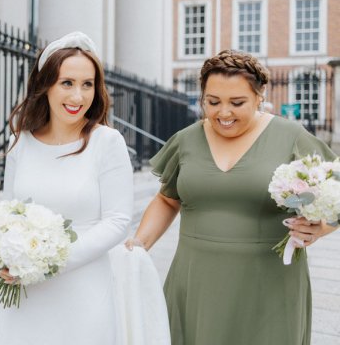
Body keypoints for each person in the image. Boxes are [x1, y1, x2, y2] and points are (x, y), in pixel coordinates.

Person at [125, 49, 338, 345]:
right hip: (196, 281)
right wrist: (139, 244)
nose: (223, 113)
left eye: (237, 103)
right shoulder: (186, 139)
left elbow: (335, 195)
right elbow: (167, 199)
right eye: (212, 102)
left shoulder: (291, 135)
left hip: (270, 284)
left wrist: (321, 227)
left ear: (260, 95)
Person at [0, 32, 133, 344]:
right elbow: (5, 212)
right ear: (46, 85)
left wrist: (51, 260)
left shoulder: (106, 142)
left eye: (87, 84)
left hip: (83, 290)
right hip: (27, 294)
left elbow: (117, 221)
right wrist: (3, 254)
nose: (78, 96)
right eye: (66, 83)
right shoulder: (21, 142)